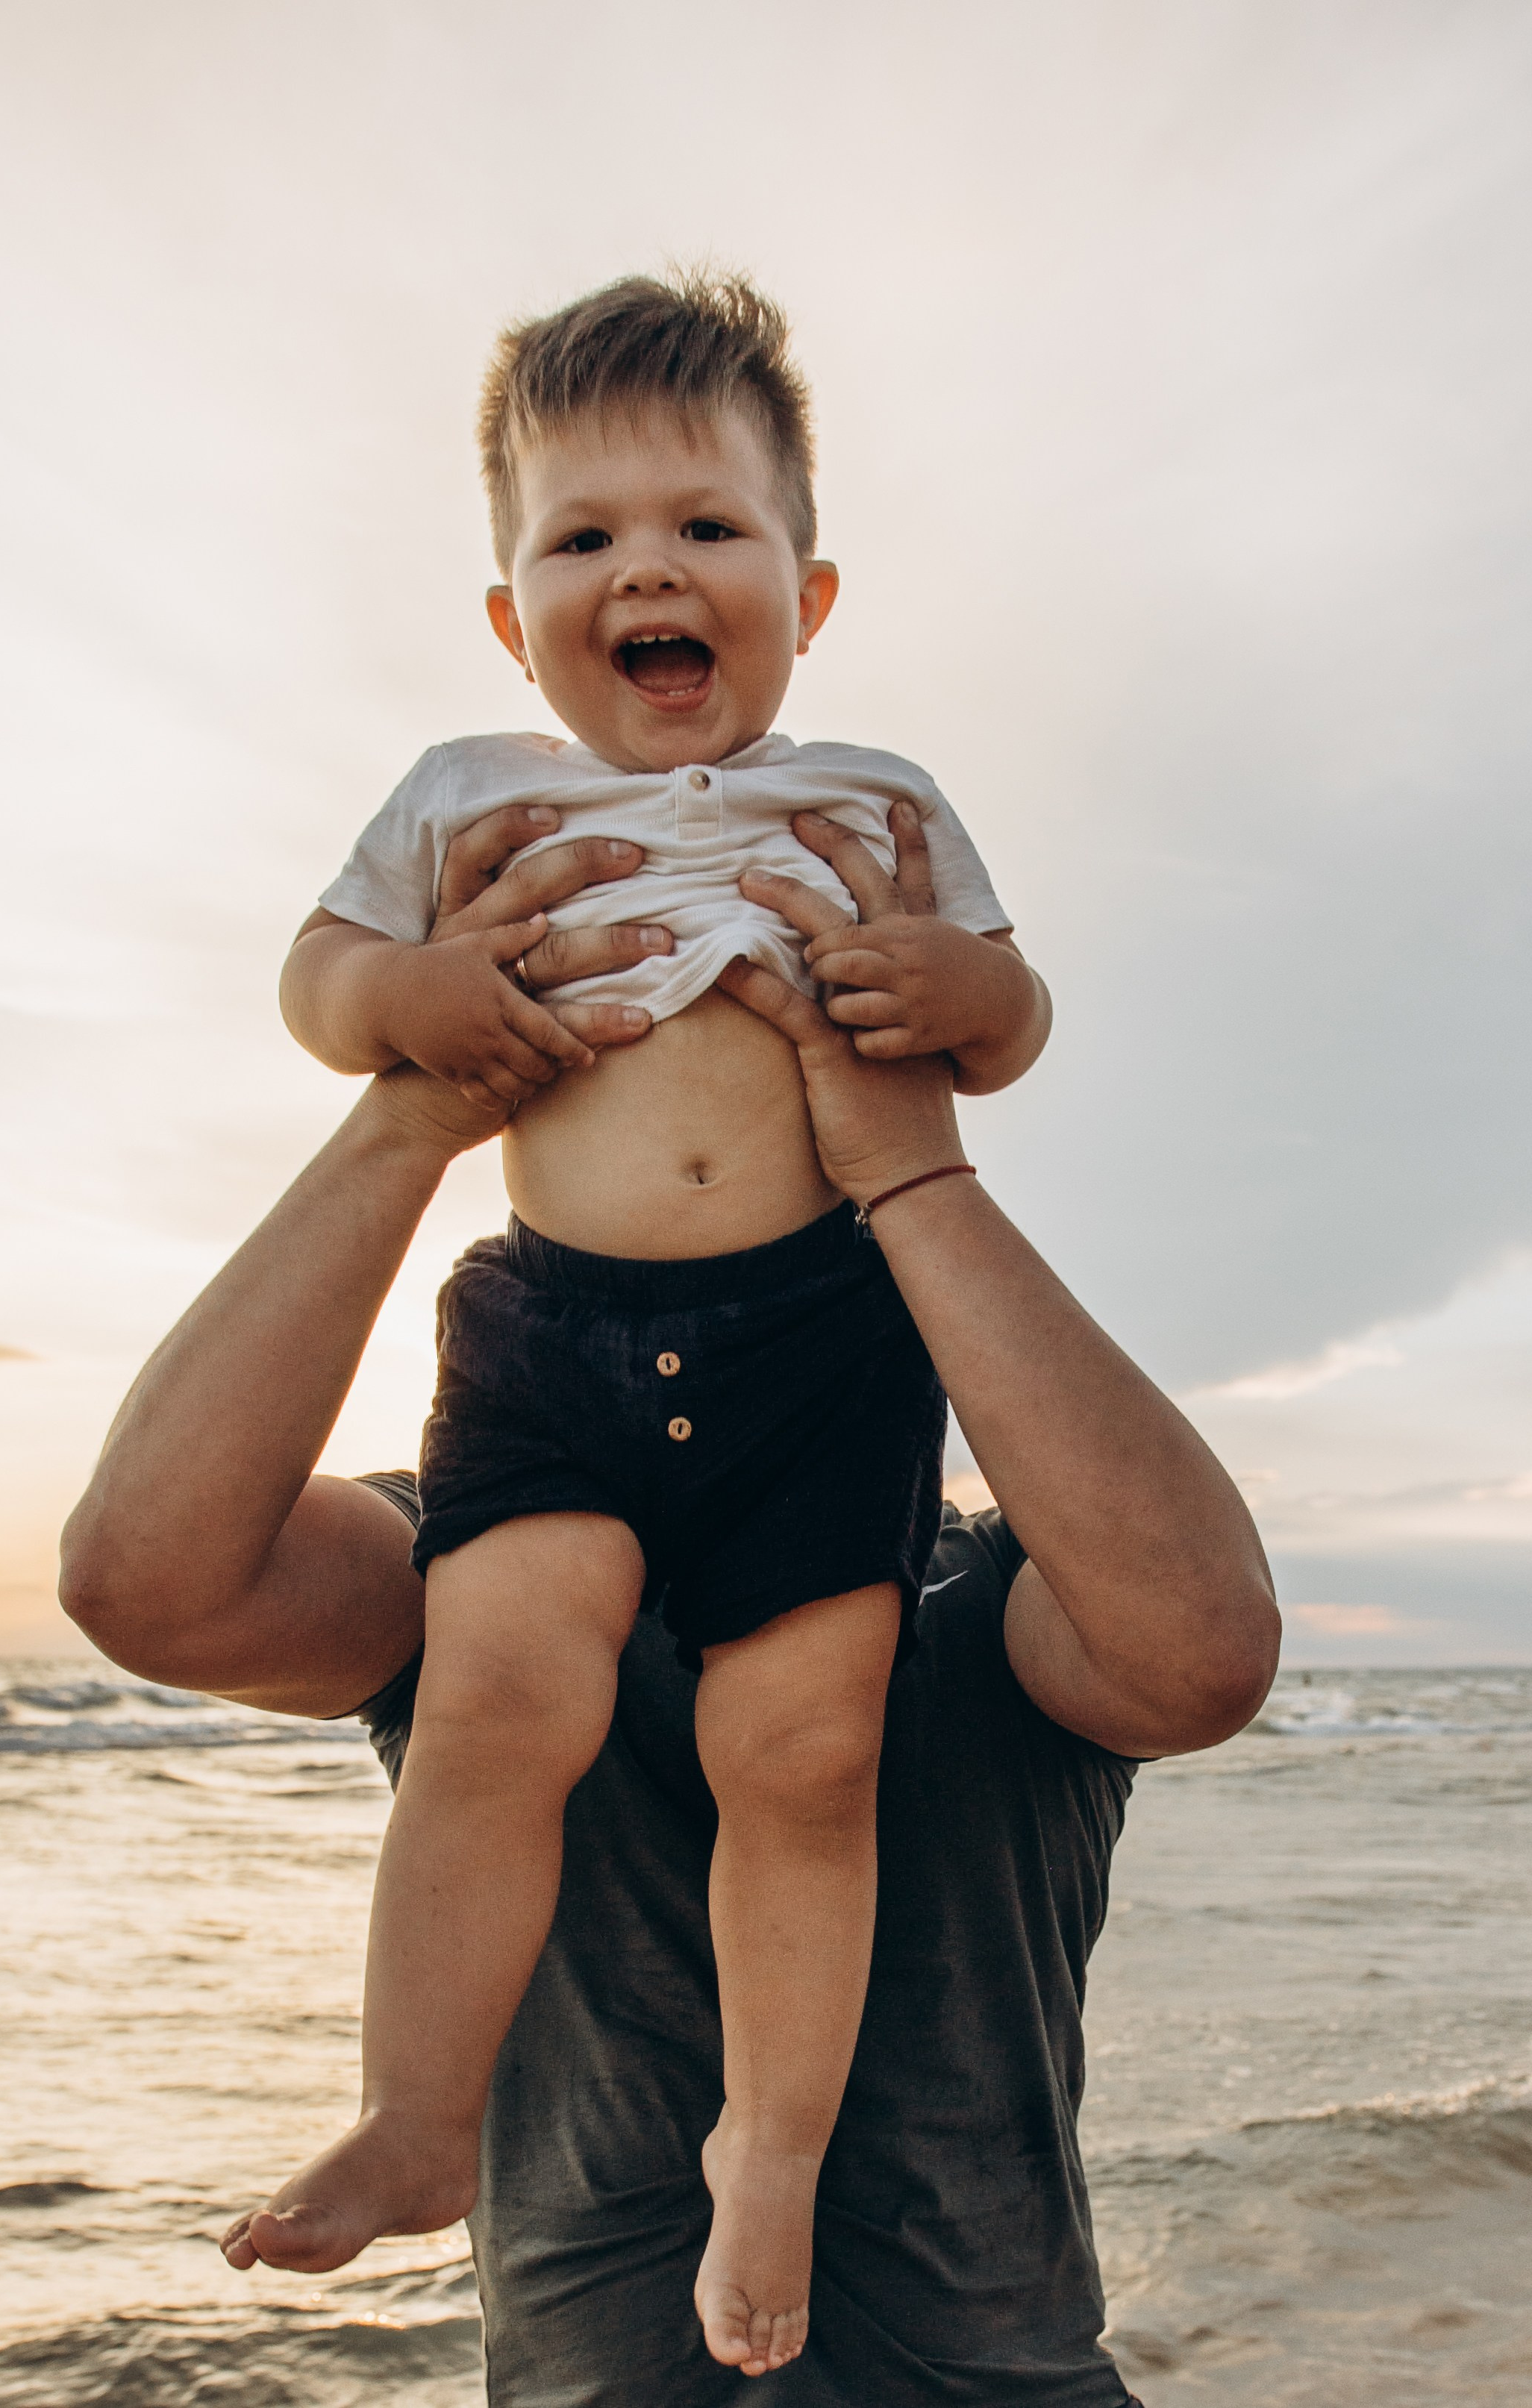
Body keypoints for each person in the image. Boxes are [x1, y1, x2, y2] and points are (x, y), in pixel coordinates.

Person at [61, 812, 1280, 2407]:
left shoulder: (982, 1604)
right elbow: (143, 1582)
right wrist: (406, 1118)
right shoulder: (468, 1584)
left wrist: (911, 1173)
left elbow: (1202, 1649)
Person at [231, 269, 1053, 2374]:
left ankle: (765, 2151)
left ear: (808, 587)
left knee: (812, 1751)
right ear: (516, 617)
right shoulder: (461, 795)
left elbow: (1010, 1002)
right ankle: (422, 2122)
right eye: (583, 539)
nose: (647, 571)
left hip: (824, 1337)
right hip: (556, 1334)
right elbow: (323, 976)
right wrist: (394, 1005)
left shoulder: (876, 799)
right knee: (502, 1701)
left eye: (705, 528)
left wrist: (966, 1003)